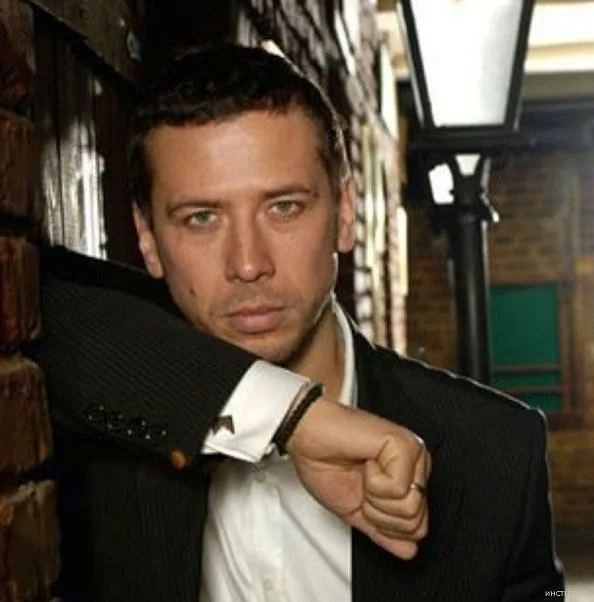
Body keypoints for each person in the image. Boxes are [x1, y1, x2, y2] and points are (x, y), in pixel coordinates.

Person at [30, 45, 563, 602]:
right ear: (147, 239)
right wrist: (291, 418)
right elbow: (27, 300)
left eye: (283, 207)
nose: (248, 264)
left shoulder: (498, 450)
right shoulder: (104, 420)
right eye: (202, 218)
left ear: (346, 212)